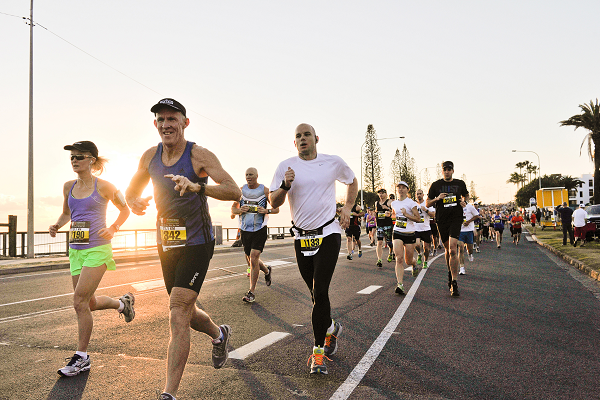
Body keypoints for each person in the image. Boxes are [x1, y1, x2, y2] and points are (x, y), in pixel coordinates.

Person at [125, 98, 241, 400]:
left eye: (172, 119)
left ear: (184, 123)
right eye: (161, 120)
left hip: (198, 242)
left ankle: (169, 394)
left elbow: (233, 190)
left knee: (177, 311)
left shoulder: (199, 155)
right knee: (186, 313)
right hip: (167, 242)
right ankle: (219, 334)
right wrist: (132, 201)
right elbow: (132, 188)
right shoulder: (149, 156)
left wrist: (197, 186)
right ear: (155, 125)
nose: (166, 125)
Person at [269, 123, 357, 375]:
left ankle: (318, 353)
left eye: (306, 134)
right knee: (313, 293)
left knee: (320, 290)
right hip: (301, 237)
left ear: (316, 138)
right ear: (293, 142)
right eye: (298, 136)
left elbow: (352, 181)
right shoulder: (285, 167)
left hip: (328, 232)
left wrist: (348, 208)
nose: (302, 138)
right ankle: (331, 327)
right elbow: (273, 202)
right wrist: (285, 186)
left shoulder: (332, 162)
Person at [49, 141, 133, 377]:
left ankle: (82, 357)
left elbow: (125, 209)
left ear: (92, 160)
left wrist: (114, 227)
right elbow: (67, 212)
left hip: (98, 248)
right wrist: (57, 224)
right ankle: (122, 304)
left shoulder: (105, 186)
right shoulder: (68, 186)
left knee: (78, 301)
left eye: (79, 157)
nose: (74, 161)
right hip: (76, 249)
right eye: (72, 158)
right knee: (89, 303)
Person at [231, 167, 278, 303]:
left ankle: (251, 292)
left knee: (253, 256)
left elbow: (277, 208)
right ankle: (267, 271)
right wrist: (240, 210)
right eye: (246, 175)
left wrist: (266, 210)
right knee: (251, 259)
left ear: (257, 176)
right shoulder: (241, 190)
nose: (248, 177)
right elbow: (233, 209)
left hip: (259, 229)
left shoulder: (265, 190)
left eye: (251, 174)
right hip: (245, 230)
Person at [426, 161, 469, 297]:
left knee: (452, 249)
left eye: (449, 169)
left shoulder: (459, 183)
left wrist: (465, 201)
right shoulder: (436, 185)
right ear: (442, 171)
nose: (447, 171)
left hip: (455, 219)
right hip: (441, 220)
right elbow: (427, 202)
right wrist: (437, 199)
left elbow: (466, 195)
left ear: (453, 171)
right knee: (447, 250)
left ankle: (454, 283)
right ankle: (450, 272)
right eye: (445, 169)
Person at [390, 181, 422, 295]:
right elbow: (395, 215)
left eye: (403, 188)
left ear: (407, 190)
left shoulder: (411, 203)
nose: (401, 190)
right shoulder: (394, 203)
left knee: (408, 260)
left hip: (410, 234)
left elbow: (418, 219)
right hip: (398, 232)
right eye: (399, 188)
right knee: (399, 259)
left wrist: (406, 215)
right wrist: (392, 216)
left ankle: (414, 264)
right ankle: (400, 284)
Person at [414, 188, 435, 270]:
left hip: (426, 229)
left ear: (423, 195)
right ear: (416, 195)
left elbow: (433, 214)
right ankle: (419, 254)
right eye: (417, 194)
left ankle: (425, 261)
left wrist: (426, 210)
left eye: (420, 193)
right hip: (416, 228)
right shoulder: (414, 205)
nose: (419, 195)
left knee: (426, 249)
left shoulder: (427, 204)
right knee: (417, 245)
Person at [458, 201, 480, 275]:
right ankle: (461, 268)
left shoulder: (470, 207)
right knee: (460, 248)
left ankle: (470, 254)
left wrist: (468, 221)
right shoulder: (456, 207)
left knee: (470, 248)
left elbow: (477, 215)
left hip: (469, 230)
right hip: (460, 231)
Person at [375, 188, 394, 267]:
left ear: (386, 194)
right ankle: (379, 259)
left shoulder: (389, 202)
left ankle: (391, 252)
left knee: (389, 242)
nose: (381, 195)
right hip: (380, 225)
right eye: (379, 193)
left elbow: (394, 211)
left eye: (382, 193)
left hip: (388, 225)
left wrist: (387, 209)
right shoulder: (376, 203)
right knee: (379, 242)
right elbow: (376, 212)